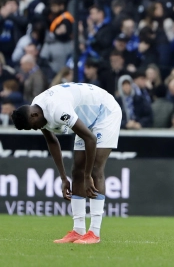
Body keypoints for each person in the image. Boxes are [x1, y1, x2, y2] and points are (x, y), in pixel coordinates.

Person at [11, 82, 122, 244]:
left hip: (105, 111)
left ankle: (94, 233)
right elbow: (52, 141)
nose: (36, 129)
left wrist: (87, 176)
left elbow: (90, 139)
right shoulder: (37, 108)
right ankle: (78, 230)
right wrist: (63, 178)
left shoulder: (58, 110)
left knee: (95, 170)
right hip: (86, 118)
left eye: (33, 127)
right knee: (76, 169)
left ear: (34, 116)